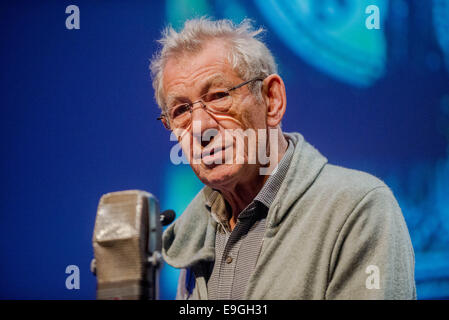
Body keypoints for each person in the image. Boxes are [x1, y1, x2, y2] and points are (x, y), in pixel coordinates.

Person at [149, 18, 416, 300]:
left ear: (272, 100)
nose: (200, 128)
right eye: (181, 111)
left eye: (218, 96)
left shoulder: (358, 208)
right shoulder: (196, 233)